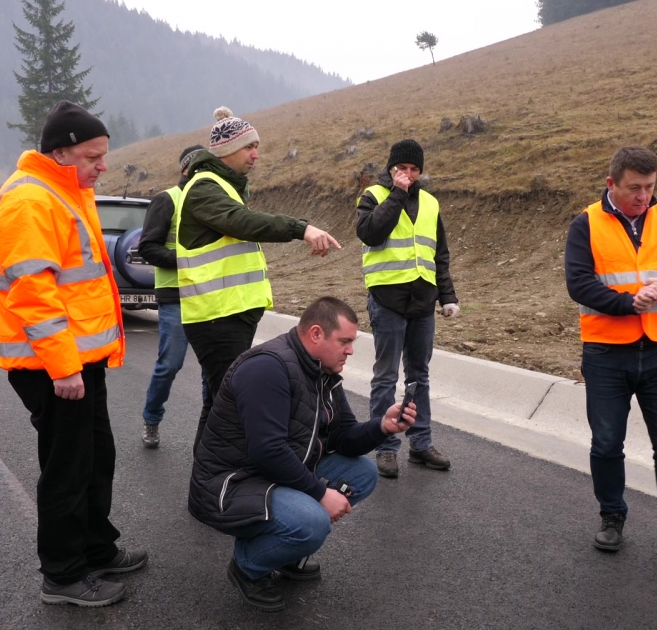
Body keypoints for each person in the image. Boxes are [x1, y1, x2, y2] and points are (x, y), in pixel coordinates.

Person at [0, 101, 148, 606]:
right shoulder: (31, 201)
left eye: (104, 156)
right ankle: (62, 575)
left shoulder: (67, 190)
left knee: (98, 456)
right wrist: (63, 367)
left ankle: (97, 547)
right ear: (61, 153)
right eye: (93, 156)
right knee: (68, 469)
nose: (102, 166)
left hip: (81, 361)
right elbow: (33, 292)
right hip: (53, 366)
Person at [188, 296, 416, 612]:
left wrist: (383, 427)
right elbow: (268, 451)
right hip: (230, 484)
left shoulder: (321, 371)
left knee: (362, 473)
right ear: (316, 334)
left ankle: (284, 552)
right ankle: (248, 567)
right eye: (345, 341)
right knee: (311, 522)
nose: (350, 350)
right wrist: (320, 493)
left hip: (274, 472)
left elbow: (345, 438)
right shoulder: (267, 367)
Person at [564, 146, 657, 566]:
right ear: (611, 183)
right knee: (608, 442)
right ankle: (612, 517)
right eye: (634, 188)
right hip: (606, 351)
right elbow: (579, 283)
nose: (643, 196)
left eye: (649, 187)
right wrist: (628, 303)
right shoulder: (586, 224)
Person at [176, 107, 341, 450]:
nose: (256, 154)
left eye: (256, 146)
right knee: (229, 402)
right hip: (216, 315)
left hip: (230, 311)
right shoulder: (204, 188)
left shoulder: (224, 186)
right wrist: (302, 229)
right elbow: (243, 223)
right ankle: (215, 480)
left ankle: (209, 478)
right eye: (249, 146)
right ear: (226, 151)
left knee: (221, 400)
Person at [355, 139, 459, 478]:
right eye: (403, 169)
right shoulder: (373, 196)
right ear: (391, 168)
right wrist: (397, 195)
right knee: (386, 376)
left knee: (420, 376)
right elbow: (370, 233)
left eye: (415, 170)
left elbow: (438, 253)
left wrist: (448, 296)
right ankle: (385, 447)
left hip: (423, 300)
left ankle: (421, 443)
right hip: (387, 299)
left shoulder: (430, 202)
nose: (409, 175)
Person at [135, 144, 205, 449]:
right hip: (175, 297)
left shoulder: (213, 201)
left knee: (215, 371)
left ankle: (213, 432)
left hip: (211, 297)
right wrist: (187, 260)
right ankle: (152, 419)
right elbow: (147, 247)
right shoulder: (167, 199)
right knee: (170, 364)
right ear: (186, 168)